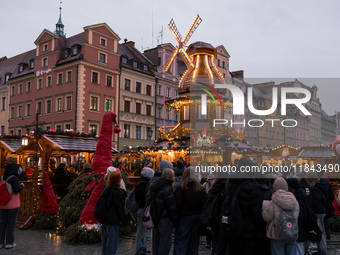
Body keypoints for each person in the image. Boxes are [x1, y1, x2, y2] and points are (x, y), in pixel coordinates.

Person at [262, 177, 299, 255]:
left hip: (277, 234)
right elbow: (296, 215)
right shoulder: (294, 200)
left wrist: (265, 207)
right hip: (291, 232)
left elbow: (266, 217)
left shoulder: (273, 201)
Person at [174, 167, 206, 255]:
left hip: (184, 217)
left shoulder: (181, 188)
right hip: (197, 217)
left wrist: (175, 220)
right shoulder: (200, 188)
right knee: (194, 243)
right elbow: (204, 203)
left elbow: (178, 205)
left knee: (181, 242)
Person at [149, 168, 177, 255]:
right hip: (164, 218)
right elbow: (171, 206)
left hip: (155, 217)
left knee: (156, 241)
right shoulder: (167, 188)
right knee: (164, 242)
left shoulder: (155, 186)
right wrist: (175, 220)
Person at [100, 170, 128, 255]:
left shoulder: (106, 190)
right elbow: (119, 207)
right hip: (112, 219)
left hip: (105, 218)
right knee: (112, 242)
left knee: (105, 240)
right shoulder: (115, 191)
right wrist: (124, 220)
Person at [0, 162, 25, 249]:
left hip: (2, 204)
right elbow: (17, 189)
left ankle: (0, 242)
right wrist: (21, 186)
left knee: (2, 223)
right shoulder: (14, 178)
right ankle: (9, 243)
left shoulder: (2, 177)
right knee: (11, 223)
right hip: (12, 204)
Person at [134, 166, 154, 255]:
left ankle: (144, 247)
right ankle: (138, 249)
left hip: (141, 208)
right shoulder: (144, 184)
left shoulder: (141, 183)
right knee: (141, 230)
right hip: (142, 209)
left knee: (143, 230)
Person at [306, 172, 328, 255]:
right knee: (320, 231)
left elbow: (315, 200)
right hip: (321, 211)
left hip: (317, 212)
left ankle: (321, 251)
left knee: (318, 231)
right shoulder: (319, 186)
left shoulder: (313, 188)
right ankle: (322, 250)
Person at [286, 178, 309, 255]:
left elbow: (301, 219)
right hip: (299, 232)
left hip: (298, 232)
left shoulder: (297, 201)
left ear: (291, 188)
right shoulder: (300, 197)